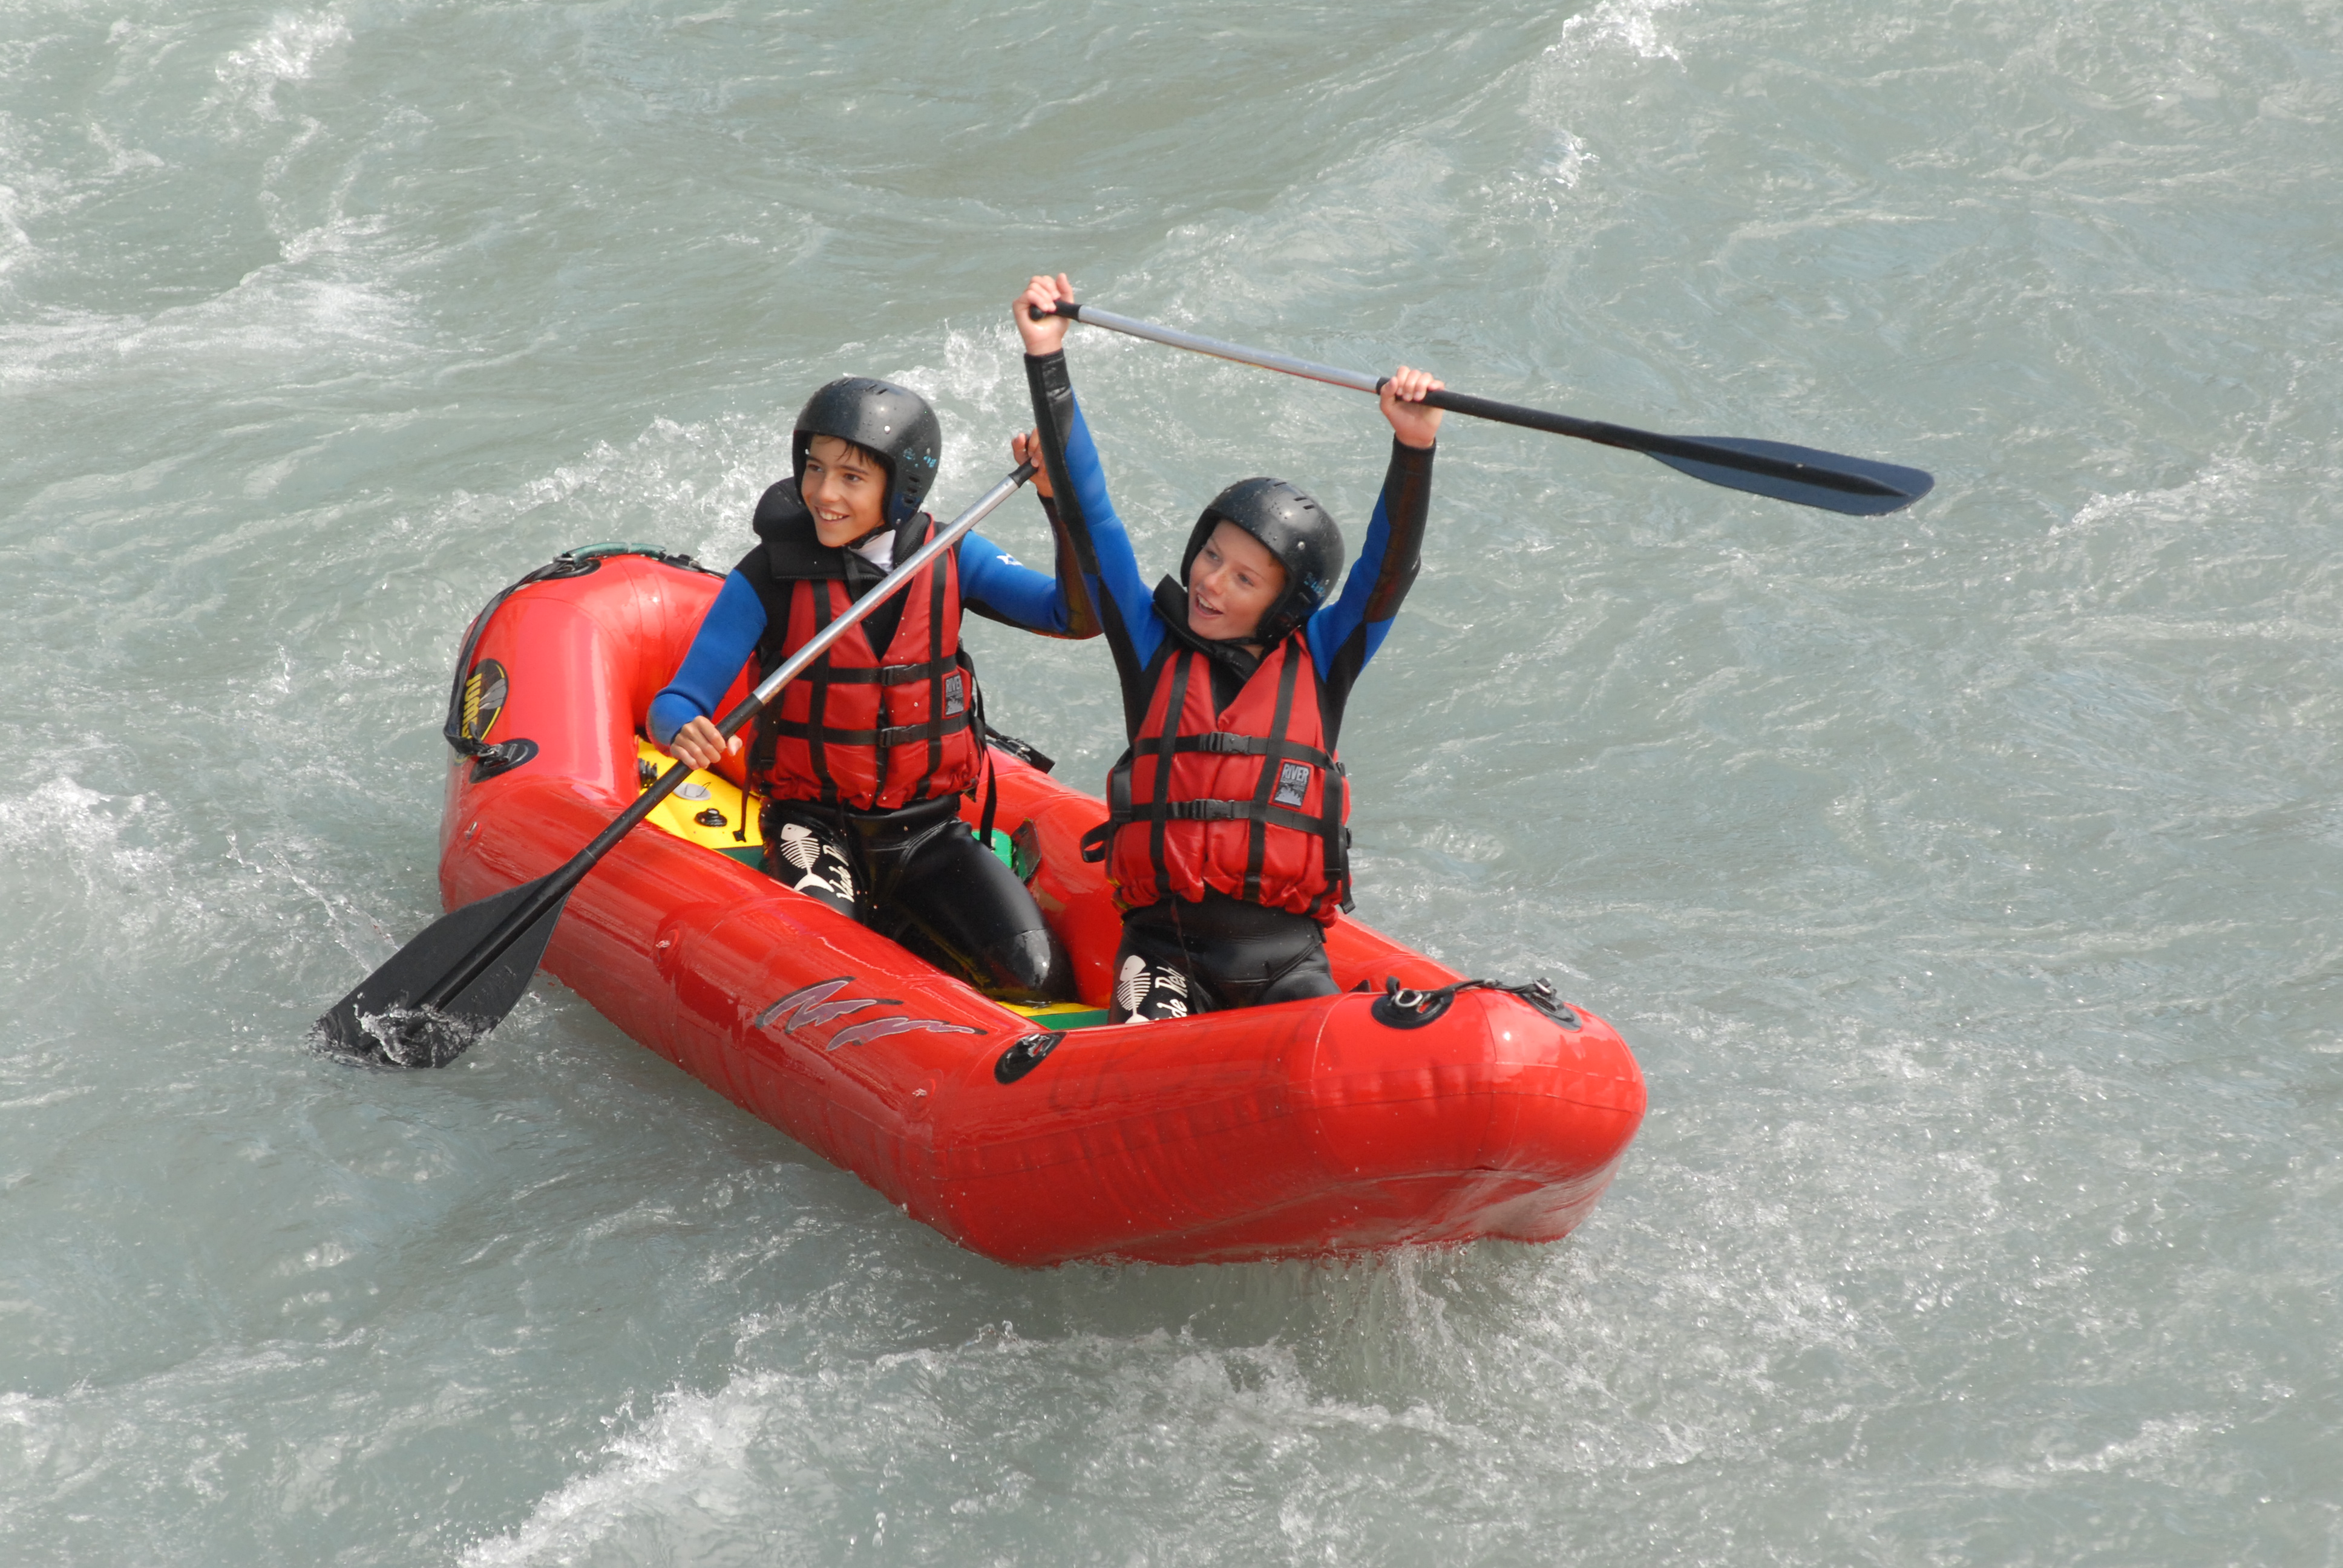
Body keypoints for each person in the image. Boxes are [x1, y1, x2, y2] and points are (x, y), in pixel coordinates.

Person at [1010, 273, 1444, 1022]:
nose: (1211, 584)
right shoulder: (1149, 644)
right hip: (1163, 959)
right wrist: (1047, 360)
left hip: (1288, 962)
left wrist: (1413, 446)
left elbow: (1387, 572)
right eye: (1211, 556)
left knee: (1327, 1047)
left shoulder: (1323, 656)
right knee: (1150, 1039)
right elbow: (1094, 520)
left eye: (1245, 578)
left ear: (1287, 603)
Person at [649, 375, 1097, 1001]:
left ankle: (905, 926)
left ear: (902, 488)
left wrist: (1059, 504)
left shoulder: (950, 554)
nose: (823, 494)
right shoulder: (769, 575)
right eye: (813, 468)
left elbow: (1075, 617)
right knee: (831, 956)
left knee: (1038, 975)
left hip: (928, 834)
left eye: (851, 478)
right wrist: (681, 729)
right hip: (814, 827)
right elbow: (677, 701)